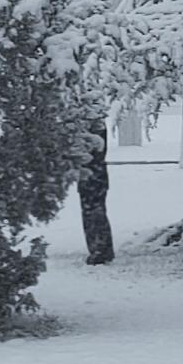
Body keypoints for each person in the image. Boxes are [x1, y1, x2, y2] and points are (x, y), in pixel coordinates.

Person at [76, 113, 114, 264]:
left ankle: (99, 249)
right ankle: (102, 249)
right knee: (96, 211)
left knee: (92, 212)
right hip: (97, 174)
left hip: (91, 175)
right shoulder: (98, 128)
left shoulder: (91, 134)